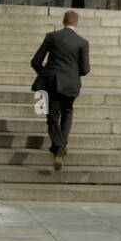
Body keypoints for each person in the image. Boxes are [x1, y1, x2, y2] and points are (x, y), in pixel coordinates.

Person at [30, 10, 90, 170]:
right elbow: (85, 69)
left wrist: (46, 74)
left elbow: (36, 61)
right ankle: (61, 148)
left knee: (52, 116)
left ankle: (59, 146)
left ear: (63, 22)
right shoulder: (82, 43)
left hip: (53, 83)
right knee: (68, 112)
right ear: (76, 24)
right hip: (71, 84)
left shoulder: (52, 37)